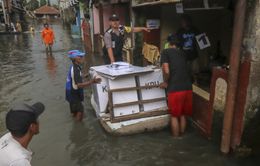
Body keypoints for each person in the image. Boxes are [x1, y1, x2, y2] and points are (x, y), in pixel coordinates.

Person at [160, 34, 192, 138]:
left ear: (169, 44)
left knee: (174, 116)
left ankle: (176, 140)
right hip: (188, 87)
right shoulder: (183, 53)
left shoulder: (166, 52)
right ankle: (182, 136)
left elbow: (166, 69)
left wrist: (165, 82)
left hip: (175, 88)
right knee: (182, 114)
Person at [66, 50, 101, 121]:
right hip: (73, 93)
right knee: (80, 111)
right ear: (75, 59)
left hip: (69, 91)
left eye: (82, 56)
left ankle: (74, 119)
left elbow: (77, 77)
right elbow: (79, 85)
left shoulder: (75, 67)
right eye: (80, 56)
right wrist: (92, 81)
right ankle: (78, 127)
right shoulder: (76, 70)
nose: (82, 58)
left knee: (74, 110)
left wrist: (85, 76)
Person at [176, 14, 200, 83]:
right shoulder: (180, 31)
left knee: (195, 70)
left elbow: (202, 40)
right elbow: (176, 42)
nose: (182, 23)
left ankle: (196, 82)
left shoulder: (195, 30)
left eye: (183, 21)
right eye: (181, 22)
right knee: (185, 70)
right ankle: (187, 83)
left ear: (188, 21)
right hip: (184, 55)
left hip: (194, 55)